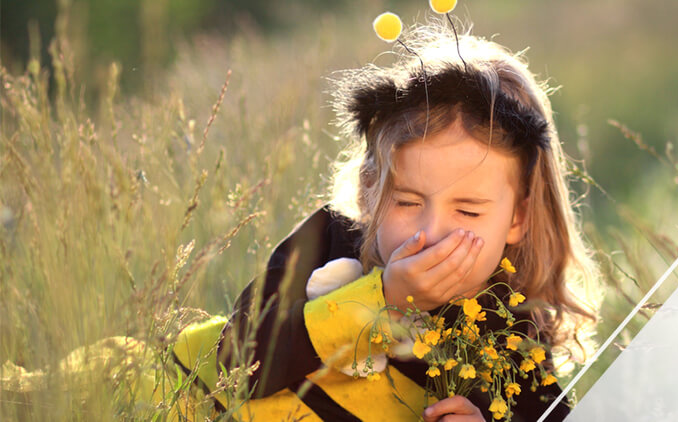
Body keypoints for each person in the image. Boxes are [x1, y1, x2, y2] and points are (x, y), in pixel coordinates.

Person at [216, 22, 602, 422]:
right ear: (370, 192)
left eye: (468, 211)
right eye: (407, 201)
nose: (430, 232)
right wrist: (381, 299)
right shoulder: (329, 239)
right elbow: (236, 363)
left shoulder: (514, 326)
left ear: (517, 218)